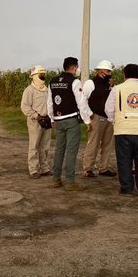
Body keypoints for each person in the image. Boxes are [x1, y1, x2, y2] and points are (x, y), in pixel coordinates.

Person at [105, 64, 138, 197]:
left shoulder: (116, 89)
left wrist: (115, 120)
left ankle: (126, 188)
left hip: (123, 130)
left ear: (124, 75)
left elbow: (109, 109)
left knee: (124, 160)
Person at [47, 56, 91, 190]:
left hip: (58, 120)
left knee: (59, 150)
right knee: (71, 151)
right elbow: (81, 103)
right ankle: (70, 182)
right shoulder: (74, 82)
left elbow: (50, 102)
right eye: (77, 67)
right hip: (71, 120)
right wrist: (87, 120)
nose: (77, 70)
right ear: (73, 67)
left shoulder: (53, 81)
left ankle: (56, 179)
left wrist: (52, 118)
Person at [82, 60, 116, 178]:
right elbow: (83, 101)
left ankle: (104, 168)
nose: (109, 73)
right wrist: (88, 116)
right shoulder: (90, 83)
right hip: (96, 116)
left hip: (109, 118)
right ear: (101, 71)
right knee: (93, 143)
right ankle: (88, 168)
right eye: (108, 71)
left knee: (107, 144)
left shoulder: (109, 85)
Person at [20, 65, 52, 179]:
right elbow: (24, 106)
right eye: (40, 74)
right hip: (35, 121)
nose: (43, 76)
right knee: (34, 146)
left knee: (45, 146)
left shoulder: (46, 89)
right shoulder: (29, 90)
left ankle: (44, 168)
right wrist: (36, 116)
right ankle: (33, 169)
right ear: (34, 76)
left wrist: (50, 117)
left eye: (44, 74)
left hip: (47, 120)